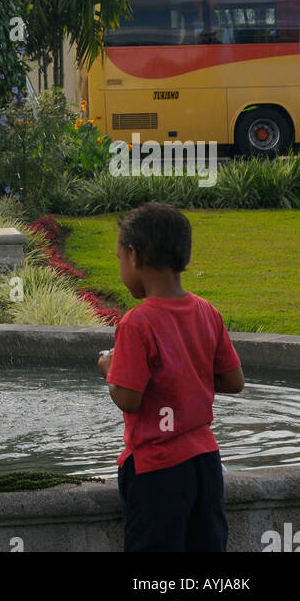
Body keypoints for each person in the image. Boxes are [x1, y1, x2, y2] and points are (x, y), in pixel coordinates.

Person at [97, 202, 245, 553]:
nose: (121, 267)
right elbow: (233, 380)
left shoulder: (137, 322)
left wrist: (108, 369)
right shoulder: (207, 311)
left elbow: (129, 398)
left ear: (133, 255)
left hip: (157, 470)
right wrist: (187, 376)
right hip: (206, 464)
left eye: (119, 258)